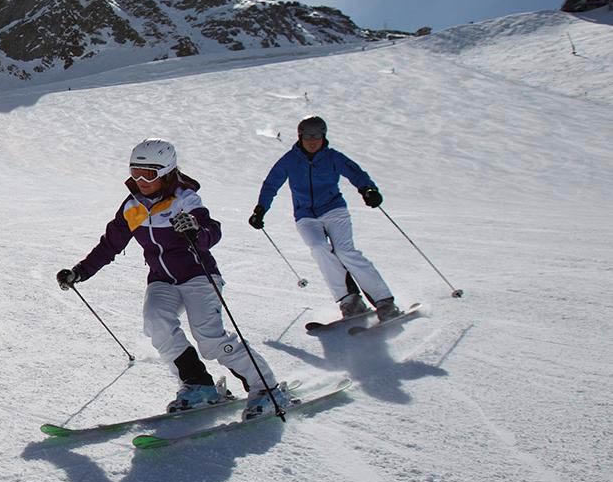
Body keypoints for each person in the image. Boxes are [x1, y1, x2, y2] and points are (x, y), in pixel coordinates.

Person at [58, 138, 291, 420]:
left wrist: (195, 231)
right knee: (156, 322)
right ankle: (198, 386)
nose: (141, 180)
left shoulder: (184, 199)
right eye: (135, 173)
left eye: (149, 174)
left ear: (167, 173)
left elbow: (211, 231)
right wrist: (80, 271)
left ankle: (267, 388)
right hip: (161, 279)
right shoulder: (132, 207)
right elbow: (110, 245)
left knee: (210, 339)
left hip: (198, 276)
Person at [249, 116, 399, 321]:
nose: (313, 140)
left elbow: (356, 173)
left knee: (345, 251)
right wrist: (261, 209)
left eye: (318, 136)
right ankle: (350, 301)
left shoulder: (333, 157)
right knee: (319, 248)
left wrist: (368, 189)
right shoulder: (289, 160)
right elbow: (271, 184)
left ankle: (384, 301)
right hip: (305, 215)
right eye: (308, 136)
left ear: (324, 136)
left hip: (333, 209)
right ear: (300, 136)